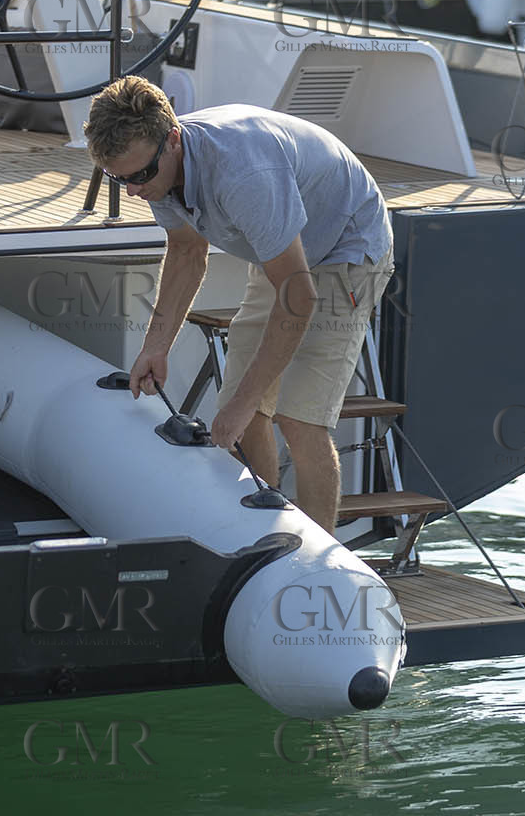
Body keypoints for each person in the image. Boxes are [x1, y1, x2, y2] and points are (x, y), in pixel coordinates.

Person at [83, 76, 395, 534]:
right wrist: (156, 346)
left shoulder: (243, 174)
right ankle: (264, 542)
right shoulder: (156, 172)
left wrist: (247, 403)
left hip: (347, 247)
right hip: (280, 251)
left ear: (173, 141)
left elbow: (299, 295)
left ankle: (318, 566)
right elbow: (188, 252)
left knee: (298, 418)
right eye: (118, 178)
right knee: (239, 414)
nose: (132, 190)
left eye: (139, 176)